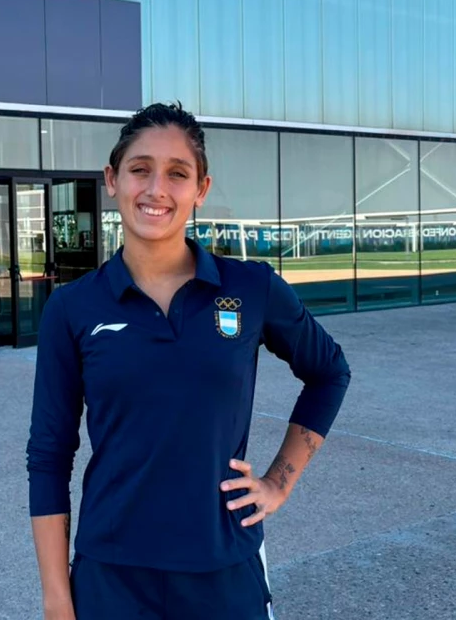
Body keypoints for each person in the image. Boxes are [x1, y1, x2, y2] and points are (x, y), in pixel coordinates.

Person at [25, 103, 351, 620]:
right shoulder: (73, 307)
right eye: (140, 169)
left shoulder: (250, 289)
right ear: (113, 179)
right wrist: (57, 599)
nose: (156, 189)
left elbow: (329, 372)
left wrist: (278, 482)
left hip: (224, 572)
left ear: (200, 189)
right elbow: (48, 455)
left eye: (178, 173)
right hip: (112, 578)